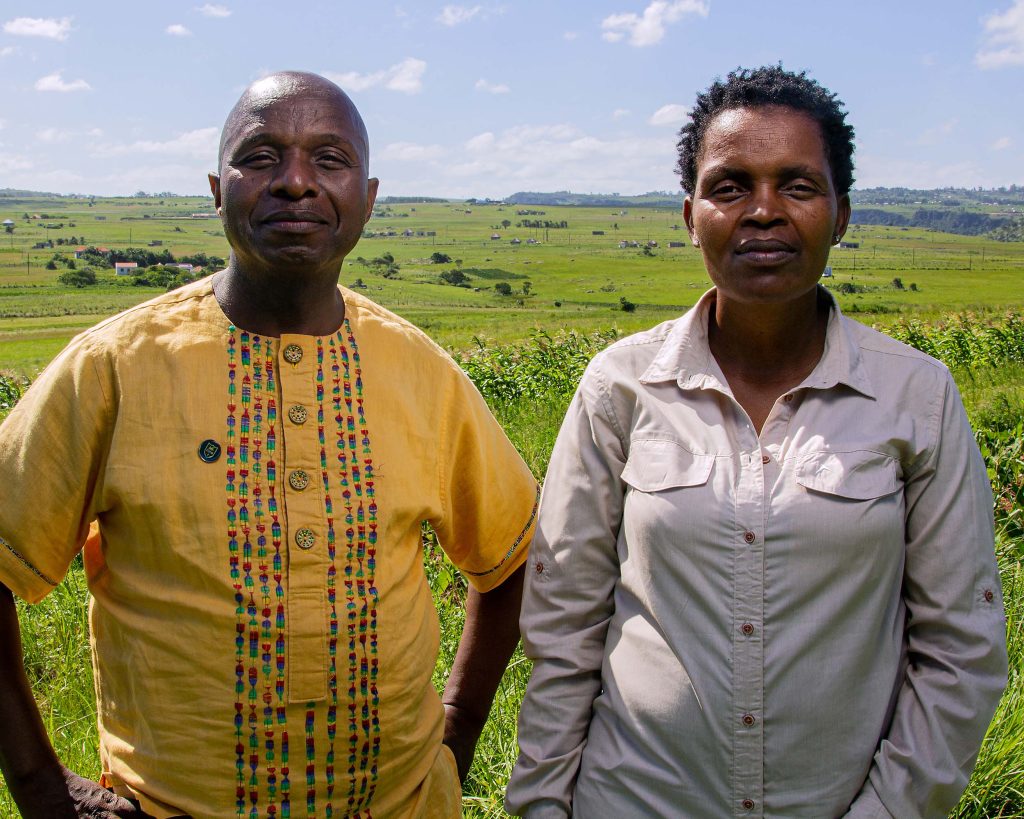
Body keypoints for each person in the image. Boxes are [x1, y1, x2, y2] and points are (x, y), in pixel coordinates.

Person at [0, 71, 539, 818]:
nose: (295, 182)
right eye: (260, 156)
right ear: (217, 190)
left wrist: (460, 727)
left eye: (329, 159)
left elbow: (512, 556)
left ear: (369, 198)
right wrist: (39, 786)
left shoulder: (421, 372)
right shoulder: (113, 367)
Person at [505, 66, 1007, 819]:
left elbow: (959, 649)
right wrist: (542, 802)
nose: (763, 212)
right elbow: (564, 624)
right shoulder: (622, 386)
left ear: (840, 215)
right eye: (730, 185)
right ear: (690, 213)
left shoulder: (915, 397)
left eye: (798, 186)